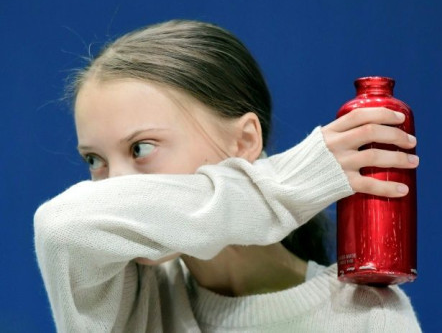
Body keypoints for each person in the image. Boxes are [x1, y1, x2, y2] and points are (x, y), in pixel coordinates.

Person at [34, 20, 422, 332]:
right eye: (94, 159)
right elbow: (62, 225)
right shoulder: (128, 307)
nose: (115, 186)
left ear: (244, 141)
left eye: (140, 148)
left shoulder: (366, 318)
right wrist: (289, 184)